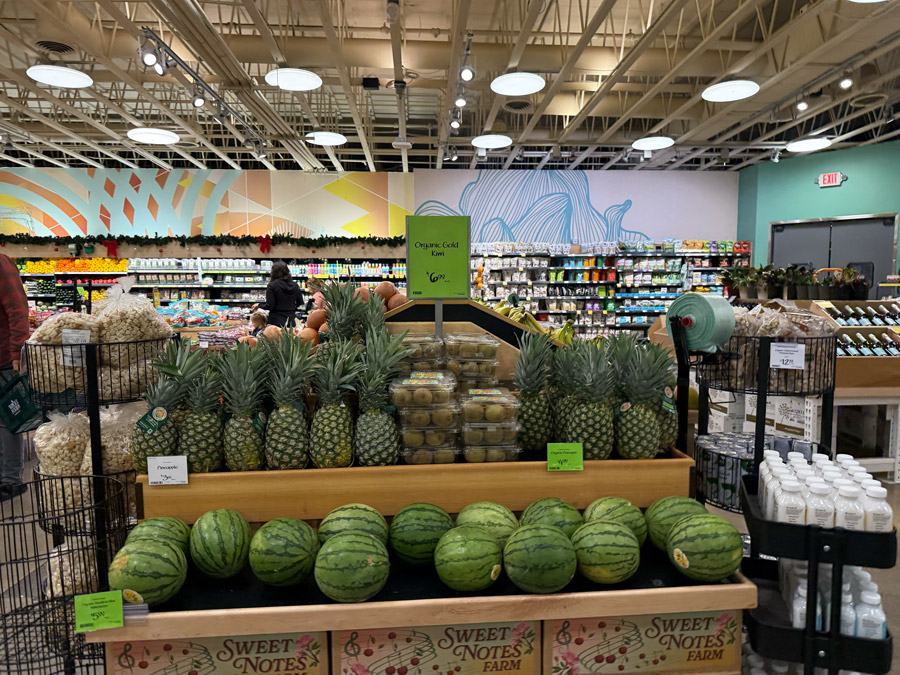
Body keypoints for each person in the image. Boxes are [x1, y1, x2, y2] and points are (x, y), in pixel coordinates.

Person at [0, 254, 30, 500]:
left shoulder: (0, 263)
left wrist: (17, 352)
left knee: (8, 420)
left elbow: (18, 309)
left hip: (3, 360)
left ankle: (10, 481)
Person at [251, 261, 302, 327]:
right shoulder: (295, 285)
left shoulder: (272, 285)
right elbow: (300, 303)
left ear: (273, 272)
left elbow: (270, 306)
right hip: (291, 321)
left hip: (276, 321)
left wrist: (259, 305)